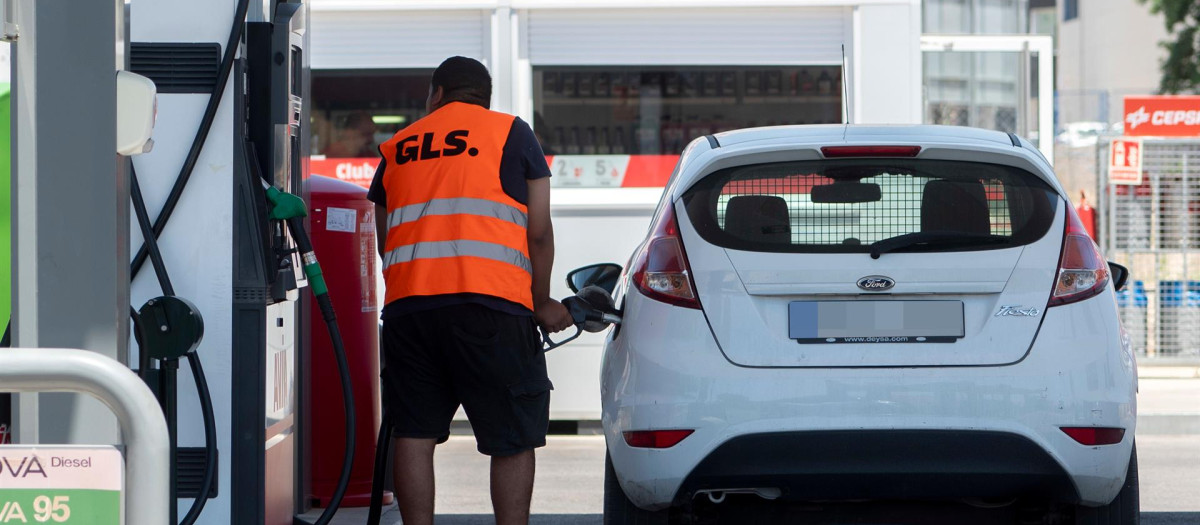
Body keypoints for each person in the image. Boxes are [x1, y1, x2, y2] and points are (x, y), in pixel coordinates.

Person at [367, 56, 573, 525]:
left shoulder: (397, 146)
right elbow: (538, 230)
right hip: (492, 307)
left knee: (414, 434)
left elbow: (386, 241)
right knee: (512, 438)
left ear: (436, 94)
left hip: (410, 311)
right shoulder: (509, 133)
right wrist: (541, 302)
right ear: (485, 97)